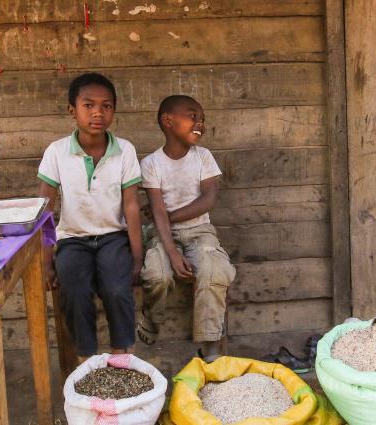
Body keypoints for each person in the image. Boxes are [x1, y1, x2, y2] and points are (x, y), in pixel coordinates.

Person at [37, 73, 143, 363]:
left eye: (106, 106)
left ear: (114, 111)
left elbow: (132, 206)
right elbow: (45, 211)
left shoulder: (125, 150)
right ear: (72, 110)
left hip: (113, 238)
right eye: (89, 105)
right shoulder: (57, 152)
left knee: (117, 289)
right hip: (72, 239)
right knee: (73, 290)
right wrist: (47, 263)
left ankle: (123, 358)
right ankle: (87, 360)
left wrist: (137, 258)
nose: (98, 112)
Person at [139, 95, 236, 362]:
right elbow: (155, 208)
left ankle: (209, 340)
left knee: (215, 270)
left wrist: (166, 217)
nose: (200, 123)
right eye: (192, 116)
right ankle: (152, 320)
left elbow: (207, 200)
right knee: (157, 274)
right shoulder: (151, 164)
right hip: (163, 236)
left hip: (199, 231)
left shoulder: (203, 157)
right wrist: (171, 253)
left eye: (202, 119)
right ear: (168, 121)